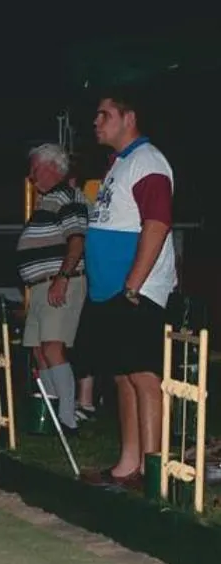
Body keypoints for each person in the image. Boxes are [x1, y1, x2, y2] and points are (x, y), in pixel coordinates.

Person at [83, 92, 178, 488]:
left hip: (136, 290)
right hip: (110, 291)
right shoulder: (118, 165)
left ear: (129, 117)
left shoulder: (148, 161)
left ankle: (153, 472)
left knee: (143, 375)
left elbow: (156, 225)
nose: (96, 123)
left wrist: (133, 285)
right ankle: (128, 465)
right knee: (121, 375)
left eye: (104, 115)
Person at [16, 143, 89, 431]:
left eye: (34, 169)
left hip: (58, 282)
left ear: (50, 167)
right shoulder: (47, 201)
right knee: (38, 349)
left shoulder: (67, 196)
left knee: (53, 347)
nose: (31, 176)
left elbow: (76, 240)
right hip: (40, 286)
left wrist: (62, 277)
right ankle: (49, 413)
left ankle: (67, 418)